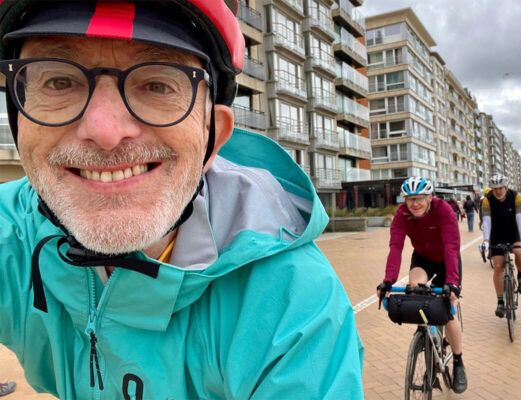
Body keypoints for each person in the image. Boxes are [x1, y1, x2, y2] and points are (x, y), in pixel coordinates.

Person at [0, 1, 364, 398]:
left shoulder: (291, 301)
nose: (105, 131)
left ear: (213, 136)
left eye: (158, 84)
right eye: (58, 81)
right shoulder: (11, 233)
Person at [377, 177, 467, 394]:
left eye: (418, 199)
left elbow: (451, 247)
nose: (414, 204)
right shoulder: (402, 214)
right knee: (415, 288)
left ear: (429, 197)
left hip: (447, 261)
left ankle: (458, 361)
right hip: (423, 259)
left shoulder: (443, 210)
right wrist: (388, 281)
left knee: (449, 312)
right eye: (409, 200)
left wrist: (452, 284)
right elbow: (396, 247)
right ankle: (424, 335)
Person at [478, 174, 521, 318]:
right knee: (498, 266)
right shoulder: (487, 200)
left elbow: (520, 219)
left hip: (514, 232)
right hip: (497, 234)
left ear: (506, 187)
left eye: (501, 188)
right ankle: (500, 302)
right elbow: (487, 222)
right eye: (495, 189)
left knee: (519, 253)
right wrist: (486, 241)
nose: (498, 191)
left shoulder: (516, 197)